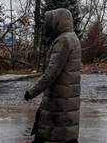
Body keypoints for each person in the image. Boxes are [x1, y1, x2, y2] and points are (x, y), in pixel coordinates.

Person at [24, 8, 81, 143]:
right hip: (64, 96)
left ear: (58, 22)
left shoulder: (64, 40)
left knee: (60, 134)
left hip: (59, 98)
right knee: (53, 133)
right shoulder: (71, 37)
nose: (47, 26)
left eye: (49, 22)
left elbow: (51, 72)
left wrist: (32, 92)